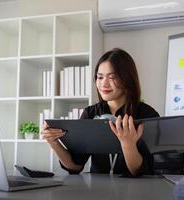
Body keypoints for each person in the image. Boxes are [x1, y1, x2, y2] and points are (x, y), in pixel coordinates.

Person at [42, 48, 159, 176]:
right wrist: (54, 143)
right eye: (100, 77)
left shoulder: (147, 115)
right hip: (97, 191)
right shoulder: (90, 114)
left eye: (112, 77)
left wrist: (128, 144)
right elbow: (75, 166)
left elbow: (141, 172)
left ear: (127, 79)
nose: (104, 84)